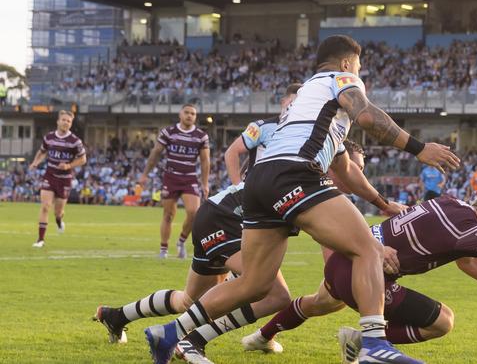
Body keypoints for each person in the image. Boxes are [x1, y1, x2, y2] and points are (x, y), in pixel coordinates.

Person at [144, 35, 459, 364]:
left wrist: (382, 203)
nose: (359, 73)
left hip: (260, 182)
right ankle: (374, 346)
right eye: (359, 67)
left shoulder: (309, 102)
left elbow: (345, 168)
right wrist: (420, 148)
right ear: (347, 63)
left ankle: (169, 332)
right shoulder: (341, 79)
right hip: (295, 174)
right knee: (366, 247)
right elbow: (367, 116)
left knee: (255, 282)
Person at [96, 141, 403, 364]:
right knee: (270, 293)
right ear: (336, 165)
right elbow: (336, 271)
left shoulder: (310, 177)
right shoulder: (314, 183)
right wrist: (372, 278)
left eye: (361, 172)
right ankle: (188, 340)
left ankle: (116, 316)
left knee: (190, 300)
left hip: (220, 214)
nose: (356, 178)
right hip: (227, 218)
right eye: (354, 170)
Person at [242, 185, 477, 364]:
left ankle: (262, 337)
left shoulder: (450, 202)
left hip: (344, 259)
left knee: (318, 303)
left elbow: (466, 263)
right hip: (367, 272)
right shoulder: (471, 228)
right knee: (443, 321)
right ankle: (365, 344)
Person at [138, 104, 210, 259]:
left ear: (195, 117)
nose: (190, 115)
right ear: (180, 114)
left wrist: (205, 183)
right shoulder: (168, 132)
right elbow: (155, 153)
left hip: (189, 177)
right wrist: (145, 174)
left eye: (193, 113)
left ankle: (181, 241)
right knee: (168, 215)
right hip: (170, 177)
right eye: (187, 112)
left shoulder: (201, 136)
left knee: (194, 212)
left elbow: (205, 161)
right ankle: (163, 250)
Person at [29, 110, 86, 248]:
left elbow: (83, 159)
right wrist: (36, 162)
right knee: (45, 206)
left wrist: (68, 165)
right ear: (58, 121)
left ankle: (59, 221)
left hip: (65, 179)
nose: (66, 123)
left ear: (71, 124)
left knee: (58, 212)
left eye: (69, 121)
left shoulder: (75, 141)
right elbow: (42, 151)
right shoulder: (49, 137)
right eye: (64, 120)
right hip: (50, 175)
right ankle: (40, 240)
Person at [224, 84, 302, 185]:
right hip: (256, 192)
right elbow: (231, 152)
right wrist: (237, 187)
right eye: (292, 102)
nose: (294, 107)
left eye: (300, 104)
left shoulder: (303, 132)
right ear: (283, 102)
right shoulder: (262, 127)